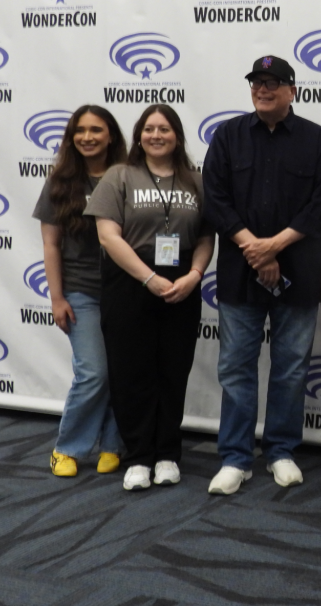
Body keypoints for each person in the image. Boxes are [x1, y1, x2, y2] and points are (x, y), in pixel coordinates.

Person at [202, 56, 321, 495]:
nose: (263, 89)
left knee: (292, 368)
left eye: (273, 82)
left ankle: (280, 451)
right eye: (257, 82)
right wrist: (255, 249)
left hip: (298, 272)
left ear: (292, 90)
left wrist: (274, 246)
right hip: (240, 274)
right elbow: (216, 200)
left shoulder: (315, 139)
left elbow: (320, 207)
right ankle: (236, 458)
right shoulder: (228, 136)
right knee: (236, 366)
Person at [85, 104, 215, 491]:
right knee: (131, 372)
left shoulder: (196, 180)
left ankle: (168, 454)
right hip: (130, 281)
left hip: (183, 283)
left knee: (173, 370)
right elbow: (108, 236)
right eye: (149, 128)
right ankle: (139, 456)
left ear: (177, 135)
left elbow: (207, 237)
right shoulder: (119, 175)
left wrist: (195, 275)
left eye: (165, 128)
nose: (156, 135)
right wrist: (149, 279)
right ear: (139, 135)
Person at [34, 105, 126, 477]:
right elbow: (51, 246)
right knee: (94, 373)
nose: (87, 137)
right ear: (72, 137)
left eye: (96, 130)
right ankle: (67, 447)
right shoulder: (60, 181)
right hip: (80, 291)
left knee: (120, 371)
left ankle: (112, 443)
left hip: (123, 290)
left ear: (110, 136)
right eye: (80, 130)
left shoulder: (127, 176)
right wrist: (57, 298)